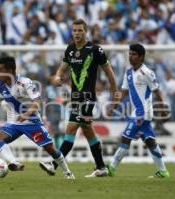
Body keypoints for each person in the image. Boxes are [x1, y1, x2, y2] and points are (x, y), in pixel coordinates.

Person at [39, 19, 117, 178]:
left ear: (85, 31)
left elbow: (109, 73)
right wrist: (57, 79)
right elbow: (59, 72)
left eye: (80, 30)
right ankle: (101, 167)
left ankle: (53, 164)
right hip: (75, 97)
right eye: (74, 30)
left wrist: (115, 95)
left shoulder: (95, 50)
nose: (77, 33)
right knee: (88, 131)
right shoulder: (70, 50)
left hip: (88, 97)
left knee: (71, 129)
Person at [0, 56, 75, 179]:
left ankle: (68, 172)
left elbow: (38, 102)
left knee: (50, 148)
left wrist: (26, 114)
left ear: (10, 70)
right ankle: (14, 162)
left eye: (1, 70)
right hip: (14, 123)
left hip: (31, 121)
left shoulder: (25, 82)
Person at [106, 43, 170, 178]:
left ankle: (111, 168)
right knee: (150, 141)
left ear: (141, 57)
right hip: (137, 112)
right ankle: (163, 171)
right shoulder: (128, 73)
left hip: (143, 112)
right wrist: (114, 106)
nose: (131, 56)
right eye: (130, 54)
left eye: (134, 54)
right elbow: (123, 92)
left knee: (125, 138)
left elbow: (157, 92)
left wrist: (163, 110)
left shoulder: (147, 72)